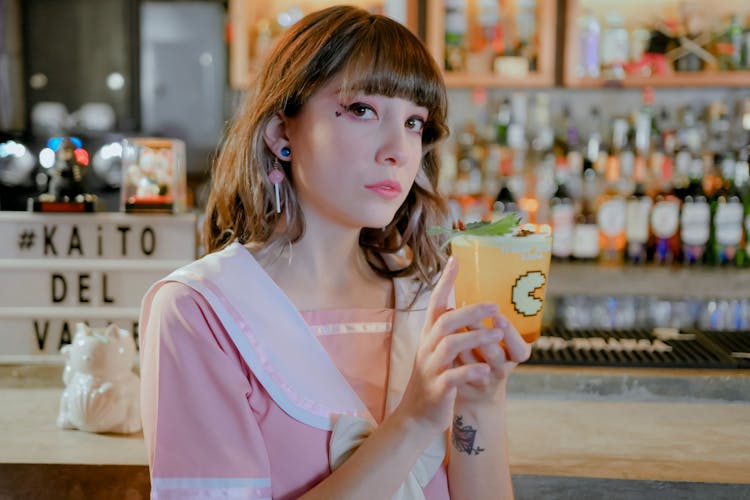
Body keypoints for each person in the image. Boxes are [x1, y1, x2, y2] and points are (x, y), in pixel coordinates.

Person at [139, 5, 531, 499]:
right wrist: (412, 419)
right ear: (282, 133)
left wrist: (482, 401)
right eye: (363, 110)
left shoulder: (427, 298)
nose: (398, 149)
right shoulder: (203, 311)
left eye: (415, 122)